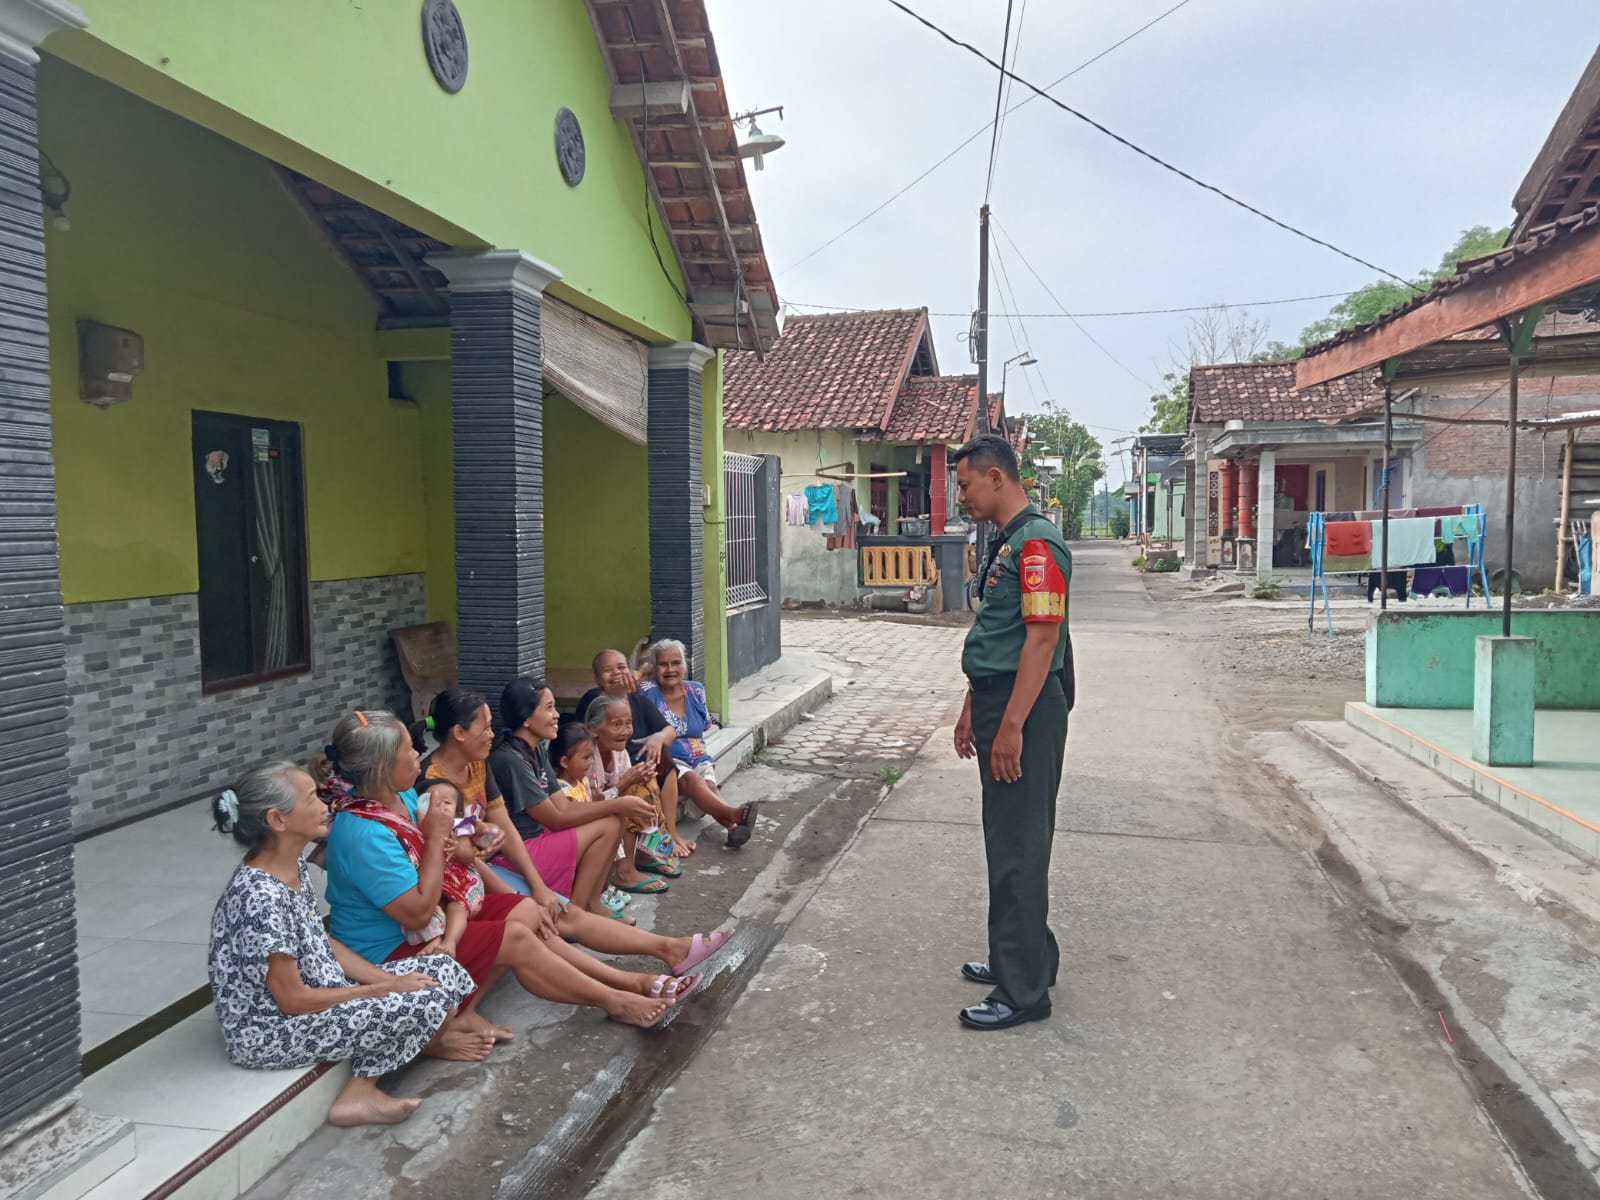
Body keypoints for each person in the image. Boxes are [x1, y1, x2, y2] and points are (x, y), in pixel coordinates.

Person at [317, 710, 688, 1030]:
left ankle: (630, 981)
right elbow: (415, 911)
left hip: (435, 922)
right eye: (407, 750)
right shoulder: (362, 832)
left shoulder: (402, 796)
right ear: (382, 766)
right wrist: (436, 841)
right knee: (516, 937)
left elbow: (451, 820)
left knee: (527, 909)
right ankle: (616, 999)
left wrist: (477, 830)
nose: (418, 754)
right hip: (392, 952)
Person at [207, 762, 474, 1127]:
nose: (324, 805)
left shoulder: (291, 867)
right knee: (424, 1000)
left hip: (321, 991)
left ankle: (417, 1043)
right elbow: (292, 1000)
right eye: (311, 798)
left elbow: (323, 942)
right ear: (277, 820)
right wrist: (384, 988)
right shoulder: (258, 895)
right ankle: (359, 1094)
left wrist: (386, 980)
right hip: (271, 1029)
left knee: (442, 970)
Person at [423, 686, 731, 972]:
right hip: (472, 877)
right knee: (555, 916)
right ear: (459, 733)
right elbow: (464, 854)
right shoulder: (437, 783)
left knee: (561, 912)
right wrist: (517, 890)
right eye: (485, 727)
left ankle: (665, 952)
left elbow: (501, 824)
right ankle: (645, 972)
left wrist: (536, 885)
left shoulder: (481, 763)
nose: (492, 734)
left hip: (495, 862)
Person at [950, 433, 1073, 1032]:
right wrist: (974, 706)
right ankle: (1023, 957)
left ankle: (1023, 992)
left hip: (1024, 712)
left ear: (996, 477)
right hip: (1000, 701)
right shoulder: (1007, 541)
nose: (962, 497)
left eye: (966, 485)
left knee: (1019, 849)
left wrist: (1013, 727)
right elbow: (998, 635)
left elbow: (1042, 641)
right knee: (1008, 842)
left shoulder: (1036, 545)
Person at [486, 678, 658, 918]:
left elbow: (563, 806)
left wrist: (615, 804)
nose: (557, 715)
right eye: (549, 708)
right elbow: (557, 818)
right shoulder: (511, 760)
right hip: (516, 854)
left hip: (539, 839)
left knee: (614, 817)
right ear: (526, 718)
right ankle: (575, 911)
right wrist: (619, 801)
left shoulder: (536, 749)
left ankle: (591, 901)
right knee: (610, 821)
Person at [636, 640, 759, 850]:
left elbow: (704, 726)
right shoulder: (648, 692)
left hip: (698, 756)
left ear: (684, 666)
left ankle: (734, 828)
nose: (670, 669)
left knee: (709, 785)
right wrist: (643, 669)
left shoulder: (696, 690)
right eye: (663, 664)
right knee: (693, 779)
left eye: (676, 663)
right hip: (667, 760)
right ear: (655, 668)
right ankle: (733, 815)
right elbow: (631, 686)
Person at [550, 721, 672, 895]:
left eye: (592, 756)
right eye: (586, 758)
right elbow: (578, 814)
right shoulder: (563, 788)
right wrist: (612, 797)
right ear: (564, 761)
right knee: (613, 821)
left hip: (588, 834)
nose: (590, 762)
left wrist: (600, 799)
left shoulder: (582, 781)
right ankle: (598, 890)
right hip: (576, 842)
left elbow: (592, 807)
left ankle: (605, 885)